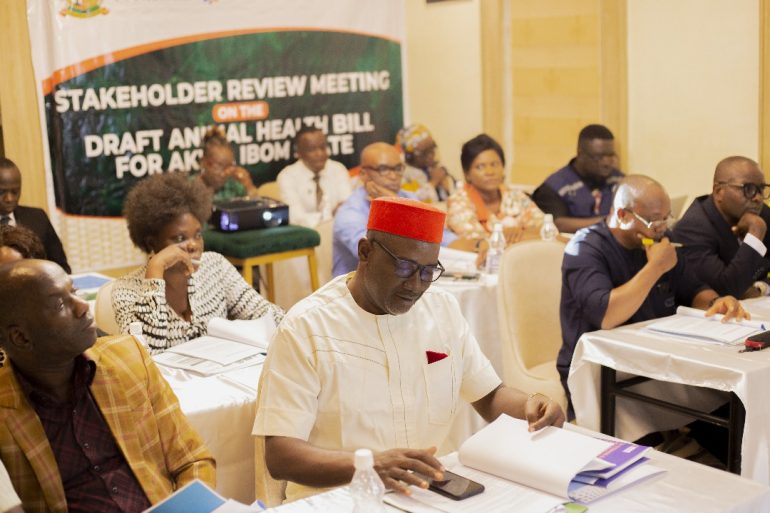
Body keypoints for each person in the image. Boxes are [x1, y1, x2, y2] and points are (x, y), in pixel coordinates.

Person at [254, 196, 565, 501]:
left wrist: (533, 405)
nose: (417, 285)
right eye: (404, 267)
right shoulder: (307, 327)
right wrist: (369, 466)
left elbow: (490, 396)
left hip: (426, 494)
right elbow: (282, 455)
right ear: (365, 251)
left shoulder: (441, 310)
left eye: (428, 271)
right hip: (337, 499)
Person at [0, 259, 215, 511]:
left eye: (74, 292)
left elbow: (192, 461)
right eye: (60, 304)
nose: (82, 307)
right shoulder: (6, 409)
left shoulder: (128, 358)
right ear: (21, 337)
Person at [558, 175, 748, 414]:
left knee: (731, 408)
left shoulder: (660, 241)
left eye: (666, 218)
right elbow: (606, 315)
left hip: (655, 363)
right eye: (653, 220)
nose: (663, 227)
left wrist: (716, 302)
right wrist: (655, 267)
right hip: (600, 370)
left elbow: (693, 289)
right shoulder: (585, 248)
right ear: (622, 215)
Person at [112, 173, 283, 353]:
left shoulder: (215, 266)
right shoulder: (126, 290)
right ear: (151, 243)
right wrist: (156, 269)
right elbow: (145, 355)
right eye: (179, 238)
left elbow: (267, 316)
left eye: (198, 235)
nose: (193, 245)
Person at [332, 143, 458, 277]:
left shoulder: (407, 197)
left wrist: (478, 246)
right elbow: (380, 257)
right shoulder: (350, 213)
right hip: (357, 291)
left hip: (403, 282)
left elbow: (442, 238)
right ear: (363, 174)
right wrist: (397, 206)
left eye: (398, 168)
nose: (393, 176)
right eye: (383, 169)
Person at [673, 156, 770, 299]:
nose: (757, 198)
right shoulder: (692, 228)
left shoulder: (761, 213)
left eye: (761, 189)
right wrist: (755, 234)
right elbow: (725, 291)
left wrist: (761, 288)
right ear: (719, 191)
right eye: (748, 189)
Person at [447, 133, 544, 246]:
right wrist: (518, 235)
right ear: (467, 174)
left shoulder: (516, 196)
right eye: (480, 167)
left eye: (494, 164)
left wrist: (518, 234)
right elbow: (479, 243)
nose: (490, 172)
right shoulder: (459, 202)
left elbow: (547, 230)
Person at [531, 124, 624, 233]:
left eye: (610, 156)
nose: (607, 163)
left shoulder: (618, 180)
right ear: (581, 154)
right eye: (599, 157)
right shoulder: (554, 187)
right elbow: (558, 224)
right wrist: (608, 221)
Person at [0, 157, 70, 272]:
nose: (9, 198)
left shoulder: (37, 218)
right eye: (1, 192)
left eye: (15, 191)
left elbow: (61, 267)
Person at [277, 126, 352, 227]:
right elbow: (296, 218)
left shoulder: (338, 169)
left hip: (337, 231)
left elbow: (347, 209)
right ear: (299, 153)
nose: (319, 153)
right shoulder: (287, 176)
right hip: (305, 236)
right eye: (312, 149)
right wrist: (330, 216)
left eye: (323, 147)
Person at [196, 126, 259, 202]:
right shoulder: (189, 189)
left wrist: (248, 186)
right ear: (203, 162)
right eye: (219, 166)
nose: (224, 173)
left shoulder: (235, 187)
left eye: (229, 166)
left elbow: (256, 206)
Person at [397, 124, 455, 203]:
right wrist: (433, 182)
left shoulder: (435, 168)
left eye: (432, 148)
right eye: (425, 152)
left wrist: (447, 187)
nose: (431, 155)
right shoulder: (401, 174)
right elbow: (412, 203)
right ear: (409, 156)